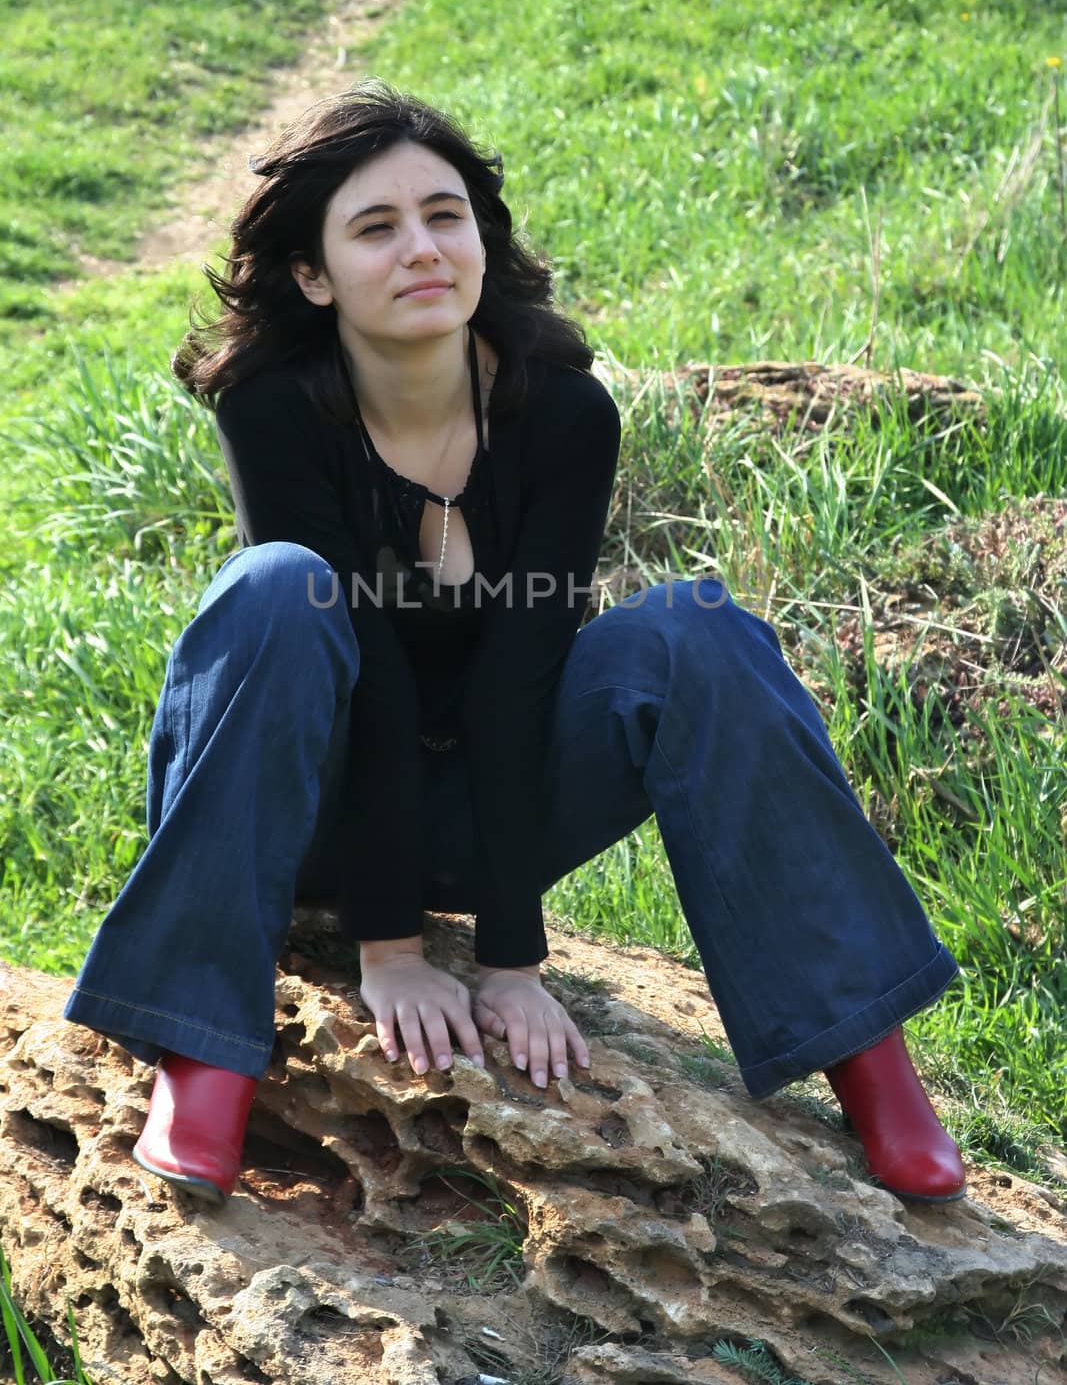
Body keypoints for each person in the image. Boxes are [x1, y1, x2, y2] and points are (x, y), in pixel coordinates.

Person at [62, 80, 966, 1209]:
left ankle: (866, 1054)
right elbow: (374, 680)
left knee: (698, 629)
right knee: (276, 590)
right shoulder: (272, 408)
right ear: (312, 272)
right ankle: (201, 1051)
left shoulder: (564, 412)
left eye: (445, 215)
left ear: (482, 236)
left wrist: (508, 955)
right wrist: (387, 949)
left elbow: (521, 670)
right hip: (305, 809)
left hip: (498, 805)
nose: (422, 249)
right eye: (375, 227)